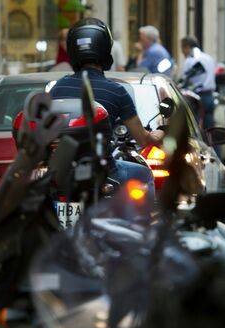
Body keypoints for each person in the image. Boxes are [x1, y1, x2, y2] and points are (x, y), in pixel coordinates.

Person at [50, 17, 164, 196]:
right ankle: (143, 216)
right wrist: (159, 134)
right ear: (105, 49)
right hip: (104, 173)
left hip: (63, 172)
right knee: (144, 174)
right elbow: (142, 139)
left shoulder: (58, 87)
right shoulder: (117, 91)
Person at [179, 35, 216, 129]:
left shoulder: (189, 60)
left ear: (187, 47)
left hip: (196, 98)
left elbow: (184, 79)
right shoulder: (209, 58)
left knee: (195, 127)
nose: (182, 52)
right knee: (209, 127)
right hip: (209, 96)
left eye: (182, 48)